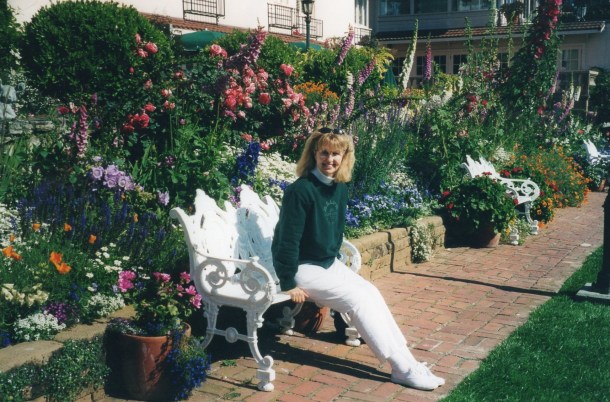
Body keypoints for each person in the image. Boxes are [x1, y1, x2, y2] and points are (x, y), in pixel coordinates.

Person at [271, 129, 445, 391]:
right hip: (302, 267)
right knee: (357, 299)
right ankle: (401, 368)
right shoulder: (300, 191)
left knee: (371, 291)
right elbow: (286, 240)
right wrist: (288, 281)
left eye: (336, 154)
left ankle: (409, 362)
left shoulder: (339, 187)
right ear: (314, 154)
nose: (329, 159)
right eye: (324, 152)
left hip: (326, 263)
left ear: (344, 157)